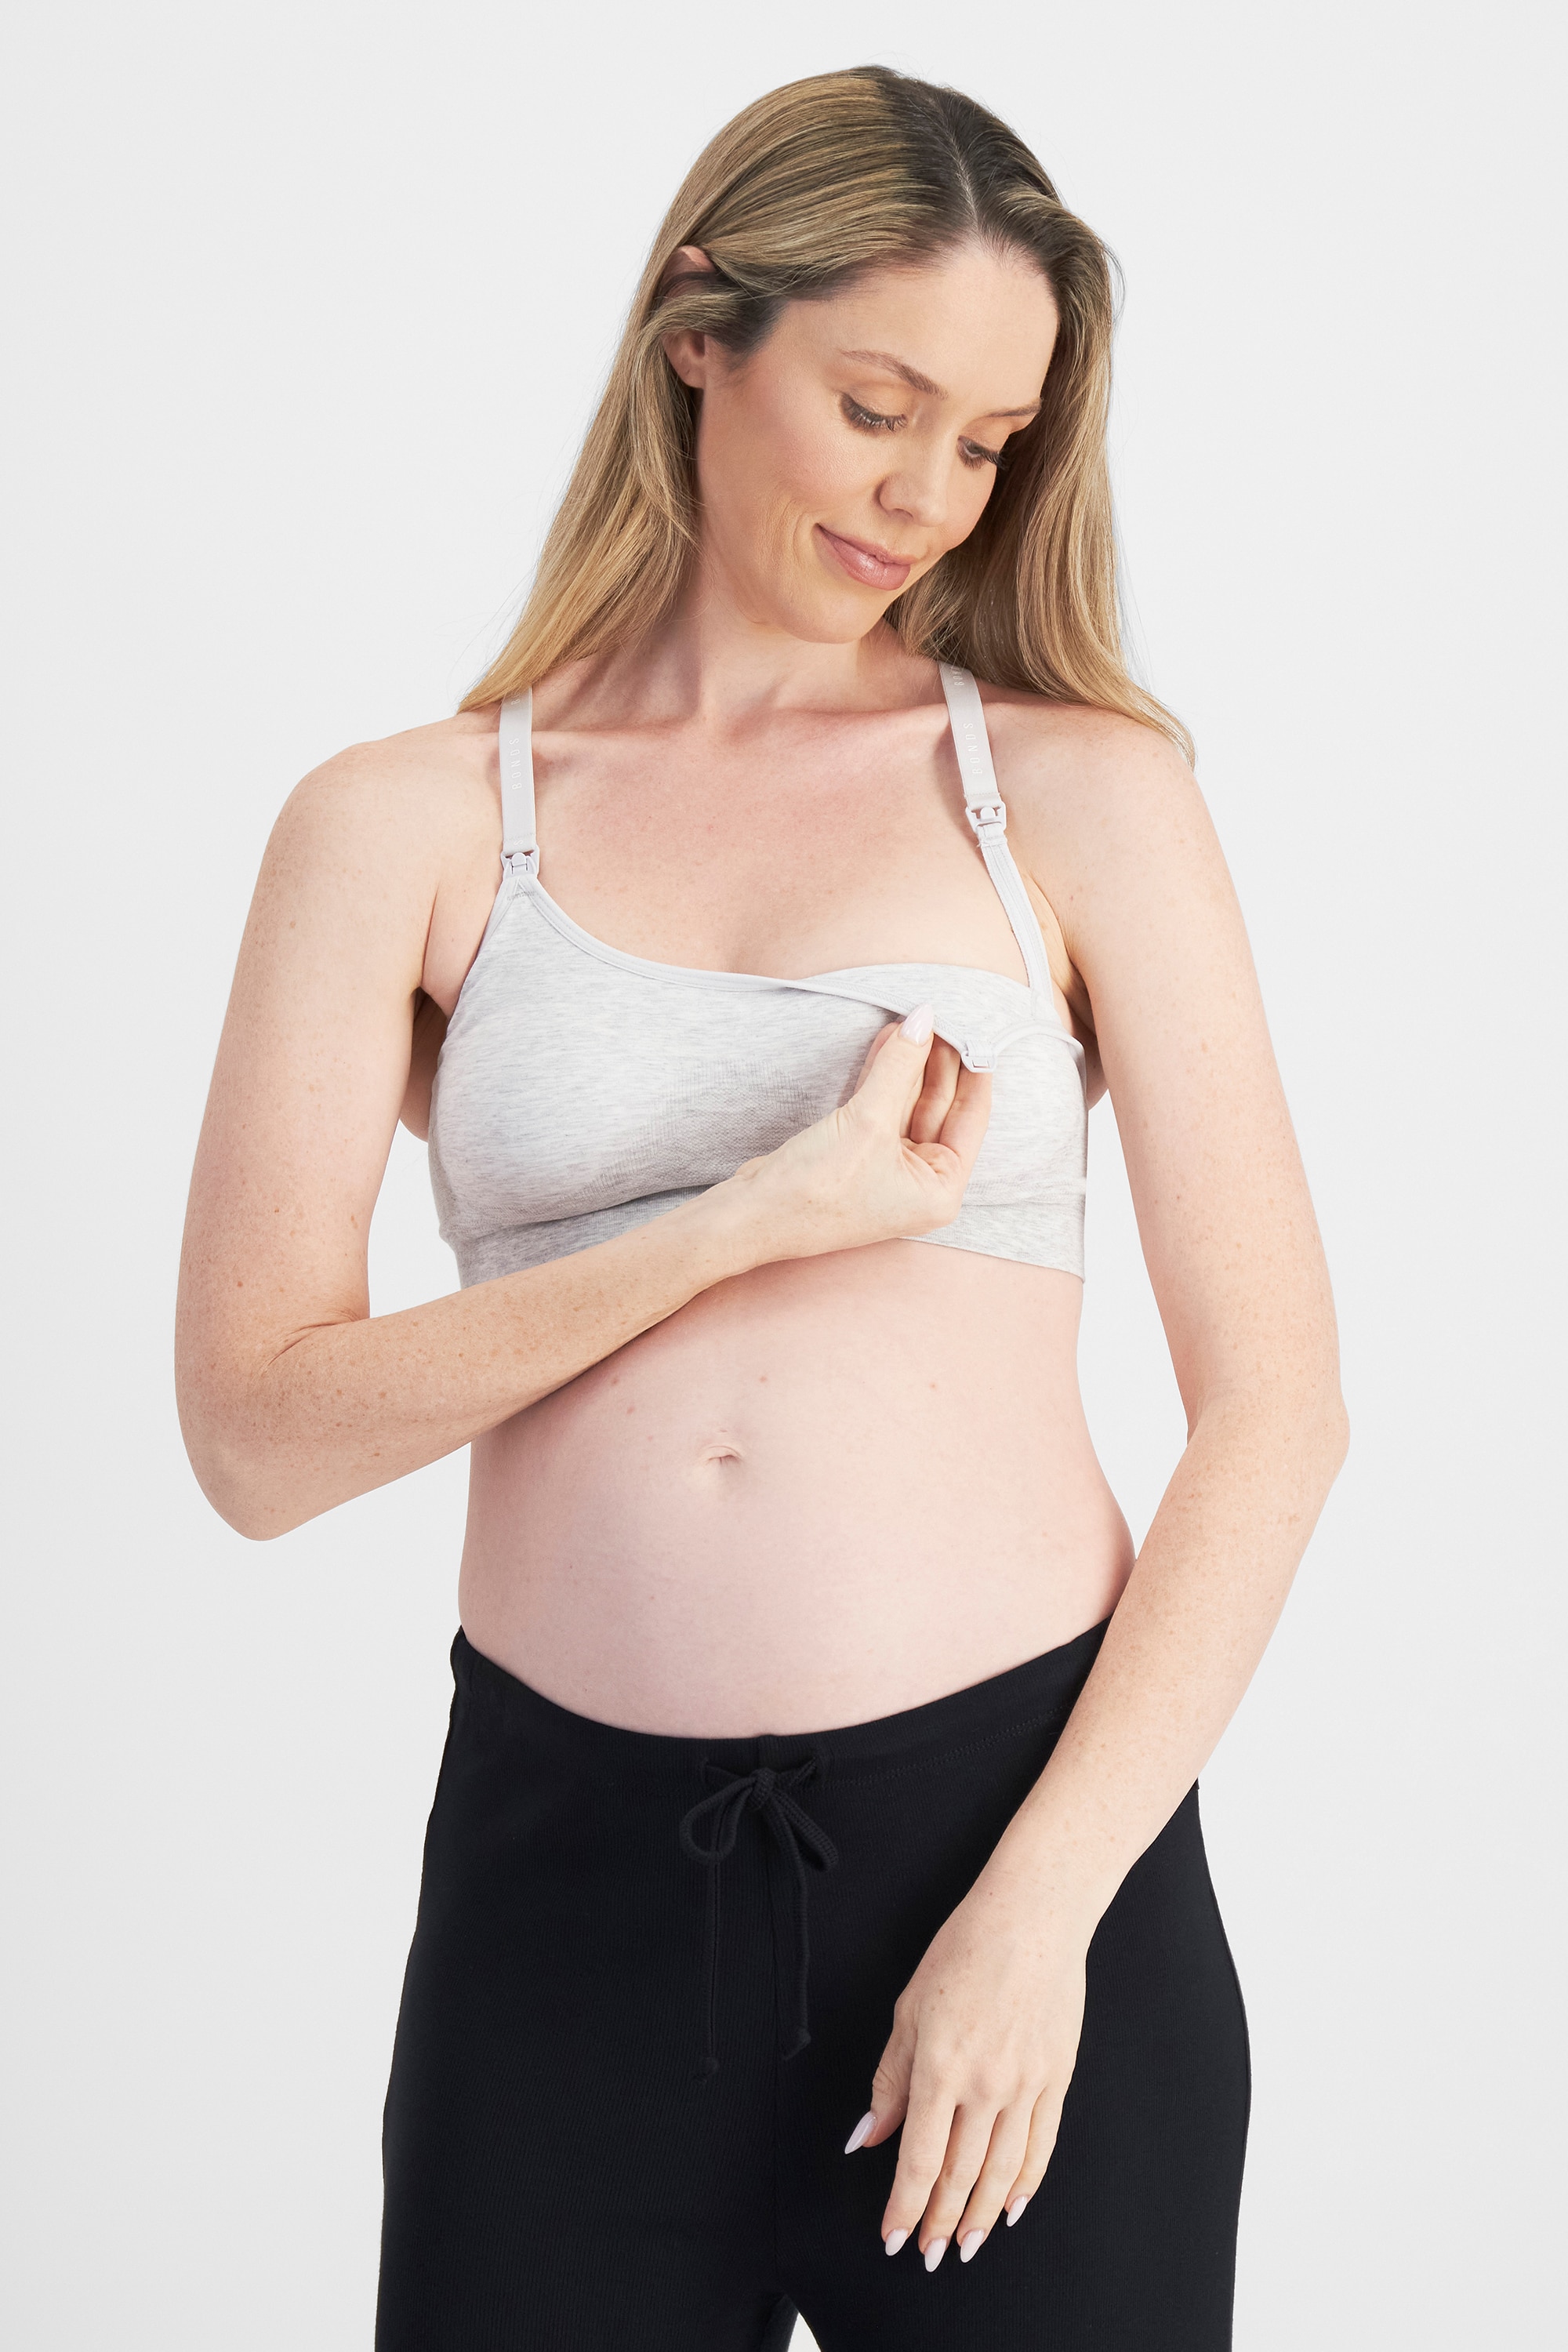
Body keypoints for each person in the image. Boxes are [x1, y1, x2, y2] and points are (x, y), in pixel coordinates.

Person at [176, 63, 1348, 2352]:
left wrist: (1039, 1917)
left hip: (1013, 1851)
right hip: (564, 1901)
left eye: (986, 442)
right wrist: (741, 1219)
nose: (925, 495)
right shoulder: (400, 826)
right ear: (700, 330)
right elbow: (257, 1437)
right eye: (875, 405)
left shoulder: (1075, 797)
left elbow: (1279, 1413)